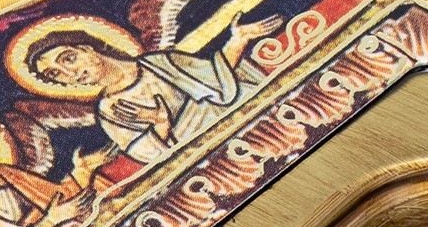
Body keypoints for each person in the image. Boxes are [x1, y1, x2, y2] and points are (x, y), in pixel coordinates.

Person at [20, 12, 282, 165]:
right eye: (55, 74)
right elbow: (149, 156)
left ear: (87, 48)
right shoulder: (109, 110)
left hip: (233, 115)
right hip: (204, 148)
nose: (70, 73)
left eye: (69, 59)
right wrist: (160, 122)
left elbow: (215, 78)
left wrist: (239, 40)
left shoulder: (156, 63)